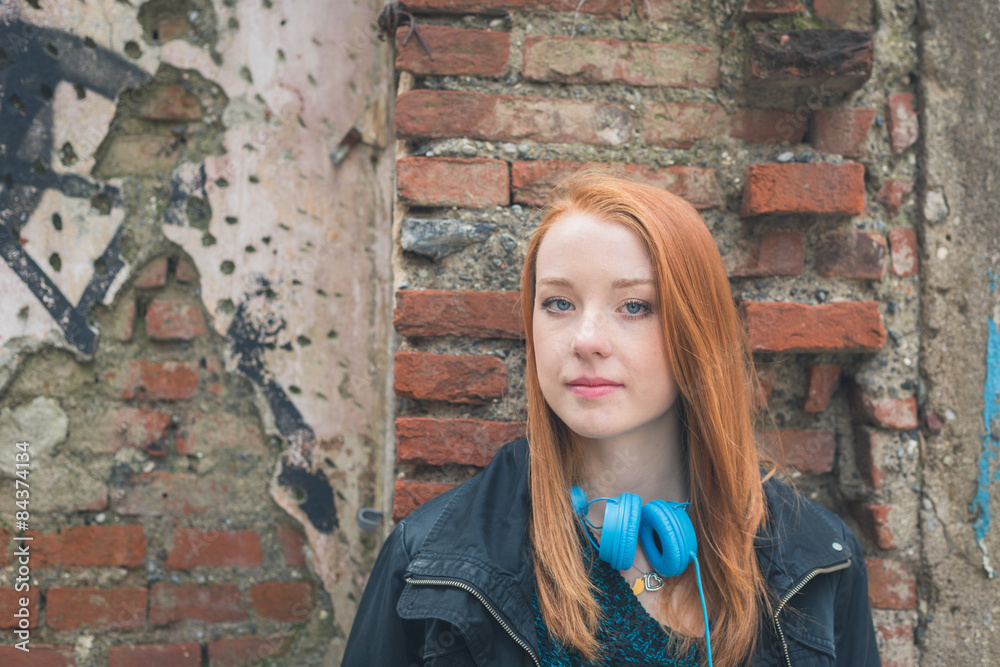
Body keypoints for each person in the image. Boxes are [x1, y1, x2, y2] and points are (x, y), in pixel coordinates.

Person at [342, 173, 881, 666]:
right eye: (558, 303)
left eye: (634, 306)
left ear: (698, 331)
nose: (585, 340)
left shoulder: (821, 559)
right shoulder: (426, 563)